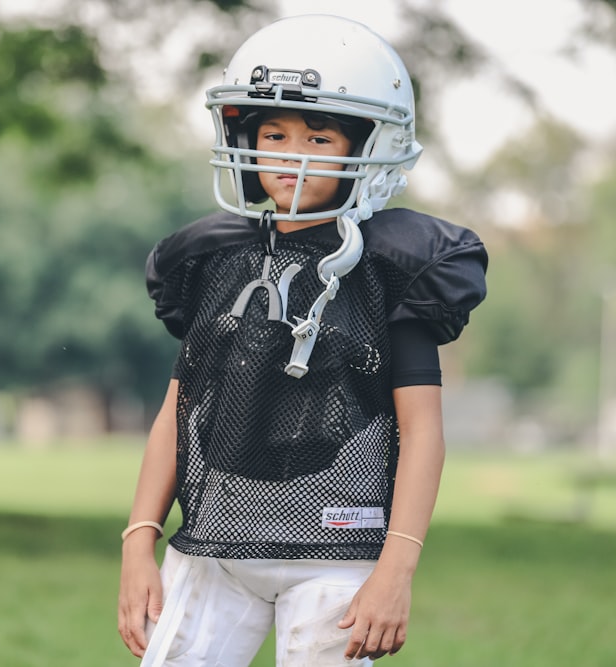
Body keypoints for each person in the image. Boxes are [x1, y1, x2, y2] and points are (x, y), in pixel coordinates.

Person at [118, 14, 487, 666]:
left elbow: (422, 430)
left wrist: (396, 570)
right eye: (274, 133)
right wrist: (138, 539)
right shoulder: (216, 258)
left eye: (319, 135)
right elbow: (178, 412)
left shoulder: (389, 266)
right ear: (244, 136)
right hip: (216, 547)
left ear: (369, 145)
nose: (293, 153)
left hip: (336, 554)